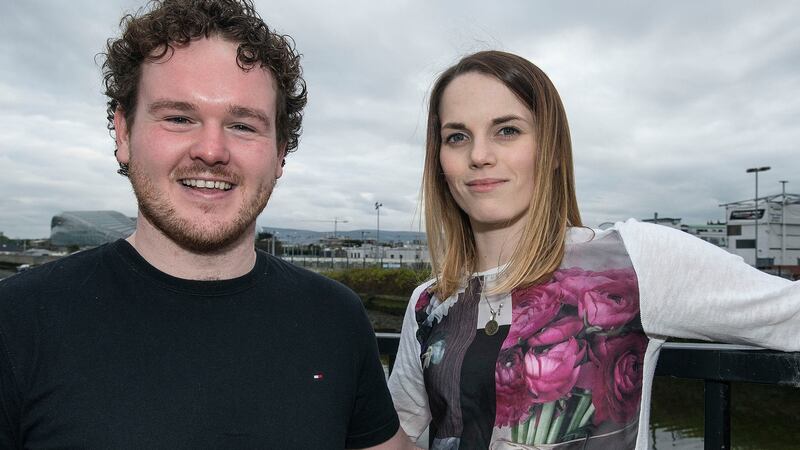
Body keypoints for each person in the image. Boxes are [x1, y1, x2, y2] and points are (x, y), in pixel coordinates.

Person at [0, 1, 413, 448]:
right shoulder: (17, 321)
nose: (212, 150)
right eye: (179, 118)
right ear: (123, 133)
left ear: (280, 155)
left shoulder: (337, 318)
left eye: (242, 125)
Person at [387, 50, 800, 450]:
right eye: (457, 136)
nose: (479, 156)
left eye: (507, 130)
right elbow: (401, 434)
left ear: (550, 148)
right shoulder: (429, 302)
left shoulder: (630, 261)